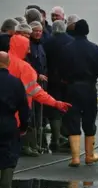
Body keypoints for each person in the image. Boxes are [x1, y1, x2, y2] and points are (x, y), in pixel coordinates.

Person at [8, 35, 71, 157]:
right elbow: (36, 92)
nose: (29, 51)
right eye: (27, 47)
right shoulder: (25, 68)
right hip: (17, 115)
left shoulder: (4, 60)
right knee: (9, 155)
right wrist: (55, 103)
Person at [58, 19, 98, 167]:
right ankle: (89, 155)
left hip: (71, 88)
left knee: (72, 120)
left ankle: (75, 158)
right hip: (89, 88)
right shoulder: (95, 49)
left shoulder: (66, 48)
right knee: (89, 120)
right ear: (87, 31)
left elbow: (59, 70)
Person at [0, 51, 30, 188]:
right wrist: (24, 126)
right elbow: (24, 107)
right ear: (8, 63)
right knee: (9, 155)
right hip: (7, 122)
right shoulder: (15, 82)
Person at [42, 20, 73, 153]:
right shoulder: (71, 41)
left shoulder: (47, 42)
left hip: (51, 80)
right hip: (67, 80)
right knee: (67, 107)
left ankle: (55, 139)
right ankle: (66, 137)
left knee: (54, 110)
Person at [27, 21, 49, 153]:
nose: (38, 33)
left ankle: (38, 143)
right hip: (32, 83)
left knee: (39, 113)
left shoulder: (40, 46)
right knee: (32, 113)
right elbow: (28, 65)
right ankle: (31, 144)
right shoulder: (28, 46)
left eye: (40, 31)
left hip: (41, 84)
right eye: (35, 30)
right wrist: (37, 75)